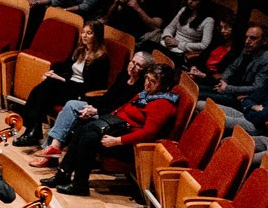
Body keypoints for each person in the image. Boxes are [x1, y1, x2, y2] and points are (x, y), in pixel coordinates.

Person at [48, 59, 180, 196]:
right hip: (116, 127)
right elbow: (121, 109)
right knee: (81, 127)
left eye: (153, 82)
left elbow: (148, 133)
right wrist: (104, 119)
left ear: (164, 86)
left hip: (130, 145)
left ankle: (79, 185)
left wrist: (117, 140)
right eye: (147, 78)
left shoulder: (163, 104)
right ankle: (63, 174)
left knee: (88, 138)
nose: (147, 83)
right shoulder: (146, 94)